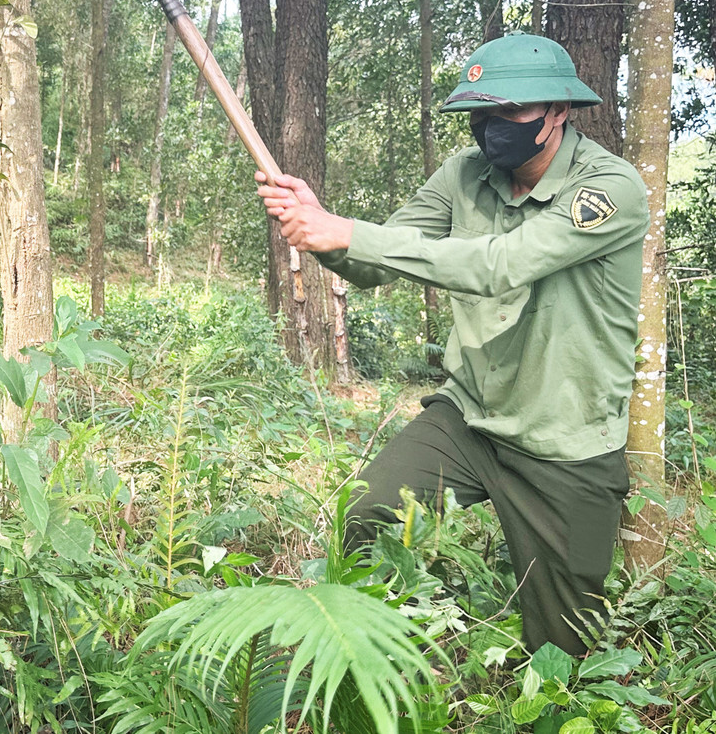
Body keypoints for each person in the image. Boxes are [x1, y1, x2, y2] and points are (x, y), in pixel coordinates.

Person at [256, 34, 647, 655]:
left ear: (559, 110)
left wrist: (346, 230)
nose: (492, 126)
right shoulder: (464, 173)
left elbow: (500, 265)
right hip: (469, 415)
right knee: (364, 514)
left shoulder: (609, 188)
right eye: (480, 113)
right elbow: (375, 264)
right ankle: (371, 663)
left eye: (511, 110)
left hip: (563, 438)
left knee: (564, 648)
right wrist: (315, 227)